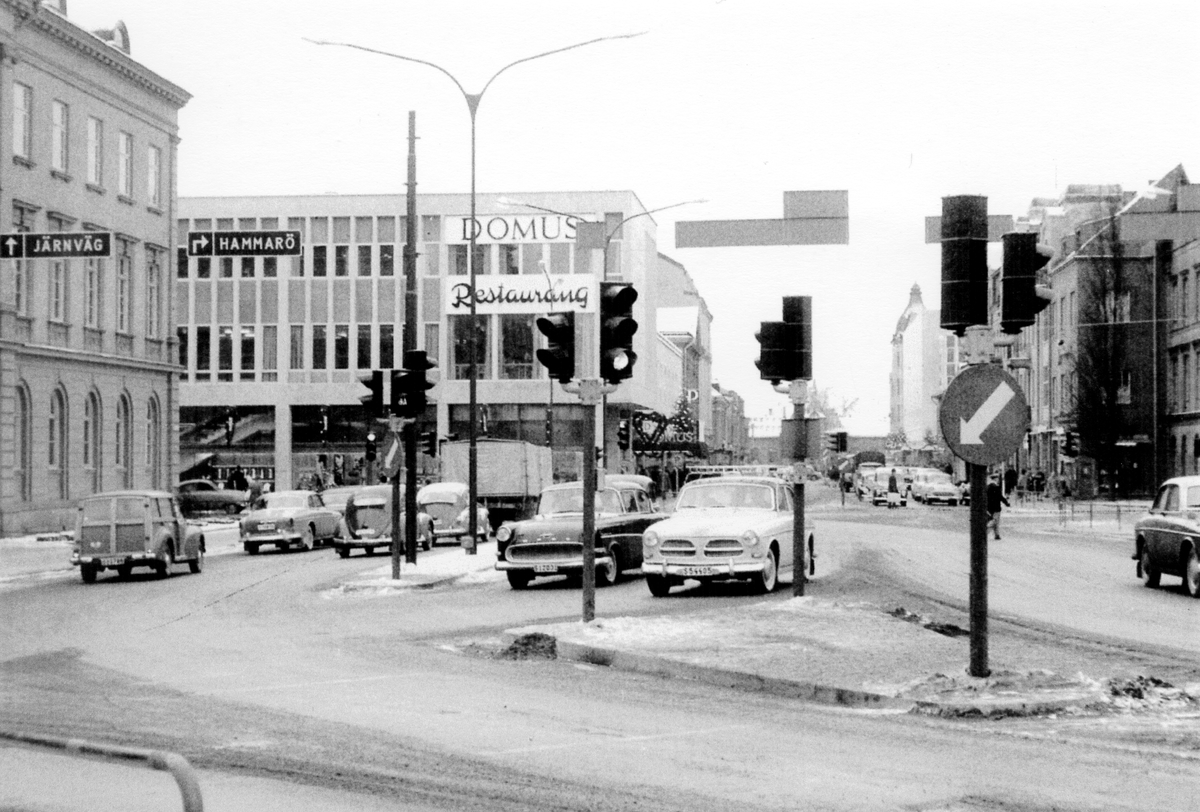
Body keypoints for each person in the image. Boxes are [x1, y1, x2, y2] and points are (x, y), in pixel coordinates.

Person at [986, 473, 1009, 540]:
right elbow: (1000, 497)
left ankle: (997, 535)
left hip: (989, 506)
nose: (998, 480)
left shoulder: (988, 487)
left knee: (995, 521)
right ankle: (985, 533)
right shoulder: (996, 487)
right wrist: (1006, 503)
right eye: (998, 478)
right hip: (996, 507)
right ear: (995, 479)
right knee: (994, 521)